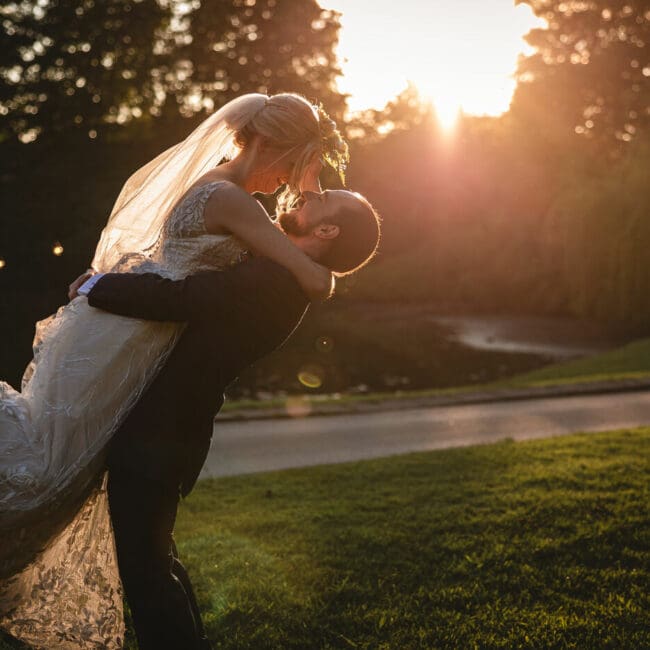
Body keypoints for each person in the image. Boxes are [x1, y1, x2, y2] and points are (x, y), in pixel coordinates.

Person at [0, 93, 348, 648]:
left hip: (132, 334)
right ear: (268, 145)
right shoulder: (235, 203)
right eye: (292, 164)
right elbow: (305, 271)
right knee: (58, 467)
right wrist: (325, 269)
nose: (289, 183)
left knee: (63, 459)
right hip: (140, 335)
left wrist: (96, 285)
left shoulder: (215, 182)